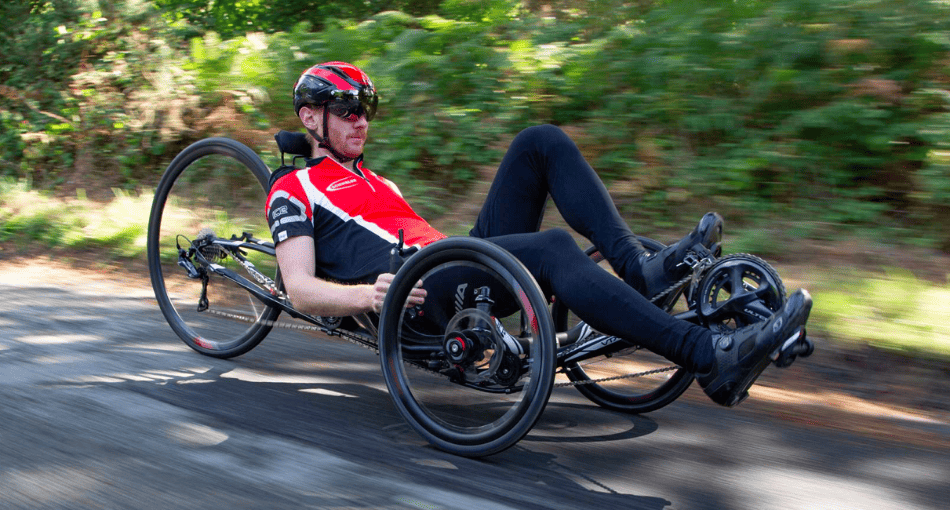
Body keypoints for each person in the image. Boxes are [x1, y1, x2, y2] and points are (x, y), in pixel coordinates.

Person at [266, 62, 812, 407]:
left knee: (539, 141)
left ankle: (638, 269)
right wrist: (368, 295)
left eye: (368, 109)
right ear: (311, 118)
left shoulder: (378, 179)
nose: (362, 120)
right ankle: (707, 355)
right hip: (415, 290)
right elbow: (299, 289)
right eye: (348, 110)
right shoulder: (294, 187)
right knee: (552, 247)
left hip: (451, 259)